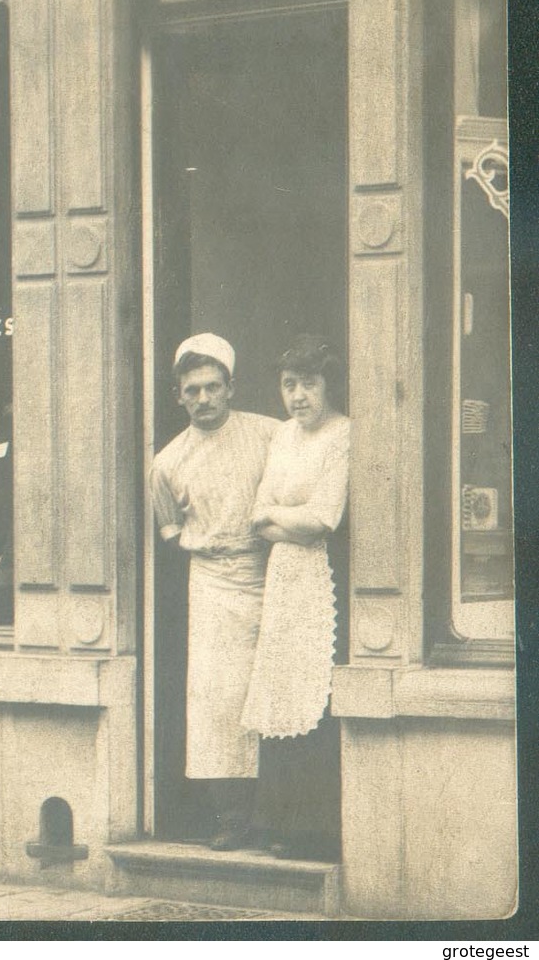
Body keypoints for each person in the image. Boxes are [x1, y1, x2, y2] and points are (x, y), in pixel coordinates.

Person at [149, 333, 280, 850]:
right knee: (216, 702)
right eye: (192, 390)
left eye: (212, 387)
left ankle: (278, 818)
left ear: (231, 388)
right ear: (178, 396)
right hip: (210, 582)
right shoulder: (167, 461)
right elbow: (170, 533)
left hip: (269, 572)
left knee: (274, 691)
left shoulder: (270, 435)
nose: (203, 400)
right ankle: (231, 818)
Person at [241, 335, 351, 860]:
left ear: (328, 384)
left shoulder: (342, 434)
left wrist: (280, 520)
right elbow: (257, 514)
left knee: (314, 691)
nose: (299, 396)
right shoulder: (282, 436)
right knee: (281, 688)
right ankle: (278, 821)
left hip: (321, 579)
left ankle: (314, 827)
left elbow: (326, 516)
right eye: (290, 385)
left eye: (309, 384)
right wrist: (289, 523)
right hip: (283, 576)